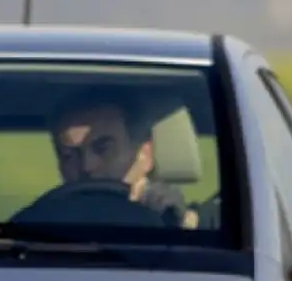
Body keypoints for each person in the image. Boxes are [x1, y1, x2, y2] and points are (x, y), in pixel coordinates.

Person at [46, 88, 190, 227]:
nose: (87, 165)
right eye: (69, 155)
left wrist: (179, 228)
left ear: (146, 154)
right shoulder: (43, 224)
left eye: (103, 148)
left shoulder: (179, 219)